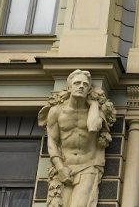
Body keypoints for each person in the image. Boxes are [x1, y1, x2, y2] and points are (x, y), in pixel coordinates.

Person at [38, 69, 117, 207]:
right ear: (69, 87)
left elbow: (93, 127)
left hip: (88, 166)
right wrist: (60, 167)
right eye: (77, 83)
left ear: (89, 90)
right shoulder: (56, 111)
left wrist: (93, 104)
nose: (81, 86)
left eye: (85, 84)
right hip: (66, 167)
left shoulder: (95, 111)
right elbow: (52, 141)